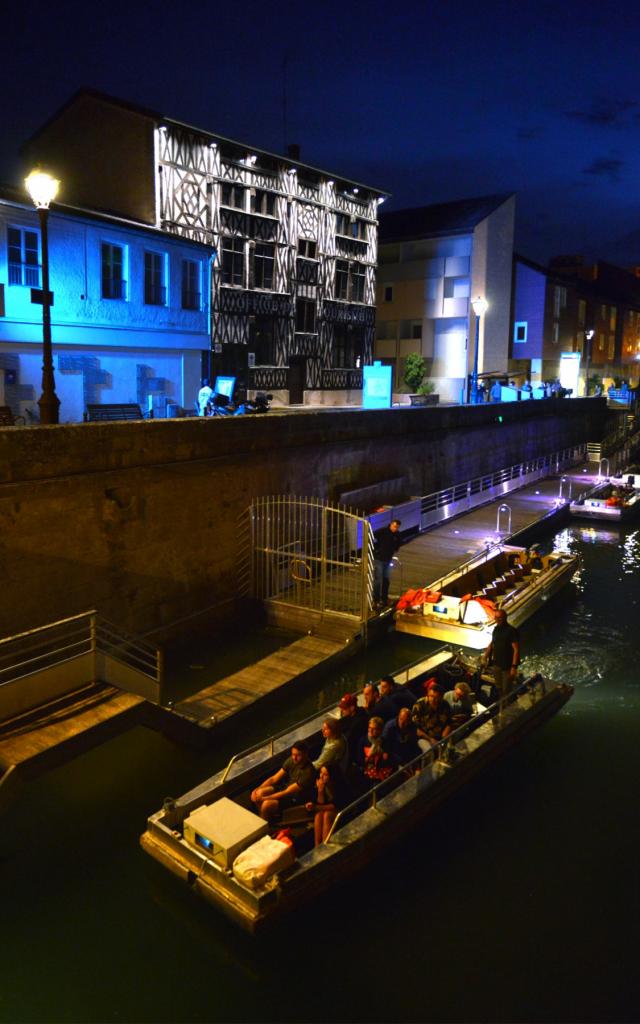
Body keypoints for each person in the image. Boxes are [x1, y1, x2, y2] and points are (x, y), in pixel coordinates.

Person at [251, 740, 316, 821]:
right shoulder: (291, 760)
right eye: (293, 754)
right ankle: (267, 818)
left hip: (295, 798)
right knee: (259, 793)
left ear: (305, 754)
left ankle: (265, 825)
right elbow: (274, 778)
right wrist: (257, 789)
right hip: (285, 788)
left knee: (266, 804)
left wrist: (264, 799)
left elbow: (287, 792)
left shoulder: (309, 772)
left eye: (298, 755)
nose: (294, 758)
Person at [305, 763, 347, 846]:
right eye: (321, 773)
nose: (321, 776)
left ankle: (325, 845)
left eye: (325, 775)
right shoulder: (320, 783)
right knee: (319, 815)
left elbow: (336, 805)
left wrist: (316, 807)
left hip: (343, 810)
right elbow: (320, 803)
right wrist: (320, 791)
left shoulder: (339, 785)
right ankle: (317, 846)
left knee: (327, 815)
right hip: (328, 809)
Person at [482, 608, 520, 698]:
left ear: (505, 618)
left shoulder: (511, 631)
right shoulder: (496, 629)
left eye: (500, 618)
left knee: (507, 688)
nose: (497, 620)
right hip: (496, 664)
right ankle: (501, 703)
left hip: (507, 666)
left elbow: (516, 649)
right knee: (498, 686)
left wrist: (514, 667)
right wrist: (485, 657)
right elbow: (492, 643)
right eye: (496, 617)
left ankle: (508, 705)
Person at [411, 686, 452, 752]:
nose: (432, 699)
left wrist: (443, 738)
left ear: (441, 697)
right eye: (431, 696)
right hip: (424, 737)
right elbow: (415, 727)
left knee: (450, 749)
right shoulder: (420, 705)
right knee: (429, 751)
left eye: (436, 697)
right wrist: (430, 739)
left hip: (440, 737)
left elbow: (449, 723)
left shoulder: (445, 705)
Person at [373, 518, 402, 607]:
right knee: (378, 579)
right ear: (391, 524)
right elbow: (373, 535)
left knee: (386, 580)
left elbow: (399, 542)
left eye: (397, 527)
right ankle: (376, 599)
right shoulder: (383, 531)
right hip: (379, 558)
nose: (395, 529)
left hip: (388, 559)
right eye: (394, 526)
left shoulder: (397, 534)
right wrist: (377, 548)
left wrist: (395, 549)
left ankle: (384, 598)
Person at [357, 716, 394, 784]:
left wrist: (385, 755)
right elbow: (360, 760)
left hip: (382, 770)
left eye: (374, 729)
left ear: (380, 730)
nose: (370, 731)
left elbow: (389, 754)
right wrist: (368, 759)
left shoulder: (384, 740)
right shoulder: (363, 741)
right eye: (369, 728)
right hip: (369, 772)